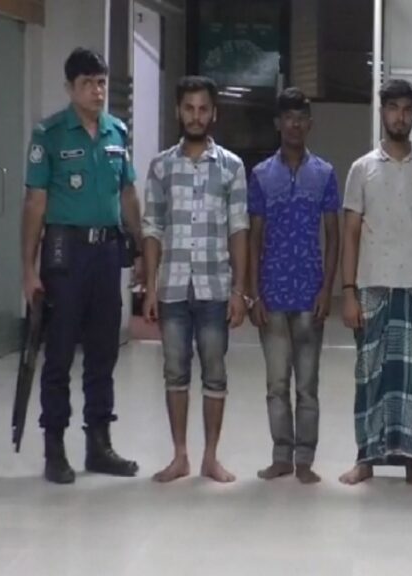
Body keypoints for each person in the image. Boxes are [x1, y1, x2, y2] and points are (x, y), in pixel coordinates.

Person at [22, 47, 142, 484]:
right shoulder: (50, 134)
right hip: (65, 254)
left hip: (106, 253)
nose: (97, 91)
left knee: (103, 351)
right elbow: (35, 204)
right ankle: (54, 446)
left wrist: (141, 249)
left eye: (102, 82)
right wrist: (28, 269)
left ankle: (99, 444)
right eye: (88, 83)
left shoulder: (116, 132)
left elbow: (127, 194)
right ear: (70, 87)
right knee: (59, 352)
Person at [338, 79, 412, 488]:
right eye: (393, 108)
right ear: (382, 112)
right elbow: (350, 233)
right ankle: (365, 459)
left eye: (407, 110)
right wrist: (348, 292)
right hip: (371, 288)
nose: (399, 117)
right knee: (369, 376)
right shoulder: (362, 169)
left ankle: (411, 462)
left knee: (410, 379)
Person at [142, 76, 249, 484]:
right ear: (178, 111)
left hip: (214, 287)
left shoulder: (231, 167)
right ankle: (180, 456)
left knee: (215, 374)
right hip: (172, 287)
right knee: (175, 372)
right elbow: (152, 227)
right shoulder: (161, 167)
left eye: (203, 109)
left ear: (214, 113)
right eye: (189, 108)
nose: (196, 116)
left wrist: (239, 290)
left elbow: (239, 229)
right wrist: (150, 287)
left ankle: (210, 457)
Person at [248, 88, 340, 484]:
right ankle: (281, 456)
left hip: (309, 295)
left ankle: (305, 459)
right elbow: (253, 237)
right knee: (276, 384)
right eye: (288, 118)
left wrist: (327, 290)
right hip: (271, 296)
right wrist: (253, 293)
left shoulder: (325, 174)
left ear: (310, 124)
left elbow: (333, 235)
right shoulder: (260, 176)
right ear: (278, 123)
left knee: (307, 386)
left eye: (301, 118)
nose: (294, 125)